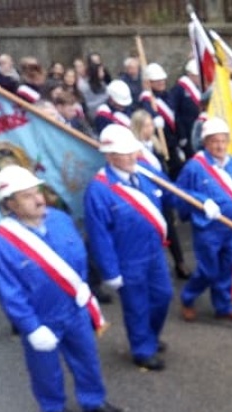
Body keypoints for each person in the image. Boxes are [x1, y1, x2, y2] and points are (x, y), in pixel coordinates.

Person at [0, 165, 121, 412]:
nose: (38, 199)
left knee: (87, 358)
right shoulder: (1, 242)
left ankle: (93, 400)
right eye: (26, 196)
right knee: (45, 368)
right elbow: (9, 293)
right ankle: (53, 406)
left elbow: (79, 256)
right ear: (9, 204)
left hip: (74, 308)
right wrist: (31, 328)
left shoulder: (59, 219)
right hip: (41, 318)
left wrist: (83, 285)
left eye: (37, 191)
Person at [84, 125, 173, 371]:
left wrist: (201, 203)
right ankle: (142, 349)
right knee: (137, 306)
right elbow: (99, 236)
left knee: (163, 296)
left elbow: (172, 193)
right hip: (128, 258)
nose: (134, 156)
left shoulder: (144, 170)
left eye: (134, 151)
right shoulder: (99, 190)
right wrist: (110, 272)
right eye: (126, 153)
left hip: (154, 252)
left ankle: (150, 336)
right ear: (110, 156)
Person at [175, 118, 232, 322]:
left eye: (223, 141)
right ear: (206, 143)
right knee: (208, 270)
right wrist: (202, 201)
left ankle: (223, 305)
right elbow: (179, 193)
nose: (220, 145)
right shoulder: (195, 166)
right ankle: (187, 298)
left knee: (228, 267)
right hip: (208, 229)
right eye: (215, 141)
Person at [130, 108, 190, 280]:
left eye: (151, 125)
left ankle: (180, 262)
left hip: (162, 190)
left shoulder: (155, 144)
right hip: (148, 194)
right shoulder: (135, 149)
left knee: (170, 227)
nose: (151, 129)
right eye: (147, 125)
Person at [140, 62, 183, 179]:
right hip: (160, 141)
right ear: (149, 83)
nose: (161, 82)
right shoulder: (147, 98)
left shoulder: (167, 95)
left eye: (162, 79)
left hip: (172, 139)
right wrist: (154, 117)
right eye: (157, 81)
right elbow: (146, 112)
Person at [170, 59, 202, 160]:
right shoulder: (179, 89)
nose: (198, 79)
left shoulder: (200, 88)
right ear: (189, 75)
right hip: (187, 130)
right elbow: (175, 113)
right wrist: (181, 134)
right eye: (195, 76)